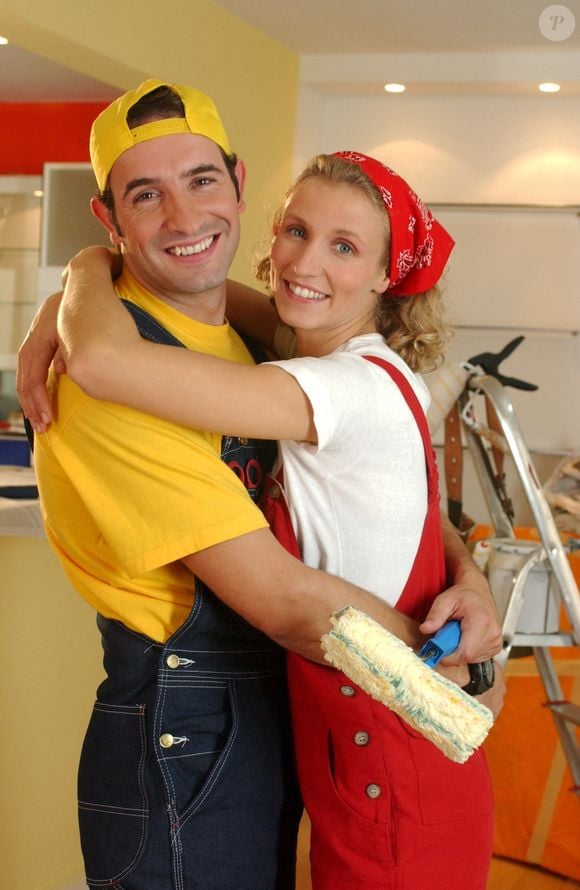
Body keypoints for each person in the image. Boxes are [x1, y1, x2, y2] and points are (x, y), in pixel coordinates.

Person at [17, 81, 503, 890]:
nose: (184, 217)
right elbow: (287, 604)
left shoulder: (272, 347)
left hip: (296, 704)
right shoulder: (118, 378)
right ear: (110, 218)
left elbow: (391, 498)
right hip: (190, 719)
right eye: (146, 195)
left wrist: (469, 586)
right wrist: (452, 670)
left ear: (238, 186)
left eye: (201, 180)